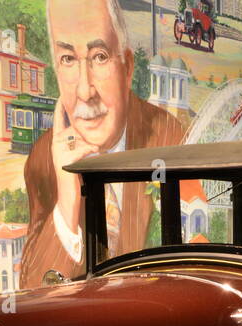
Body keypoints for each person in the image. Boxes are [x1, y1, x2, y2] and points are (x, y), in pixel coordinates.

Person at [20, 0, 186, 287]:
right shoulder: (44, 158)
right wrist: (67, 202)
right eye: (68, 60)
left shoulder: (170, 138)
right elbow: (32, 292)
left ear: (128, 67)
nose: (85, 91)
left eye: (99, 56)